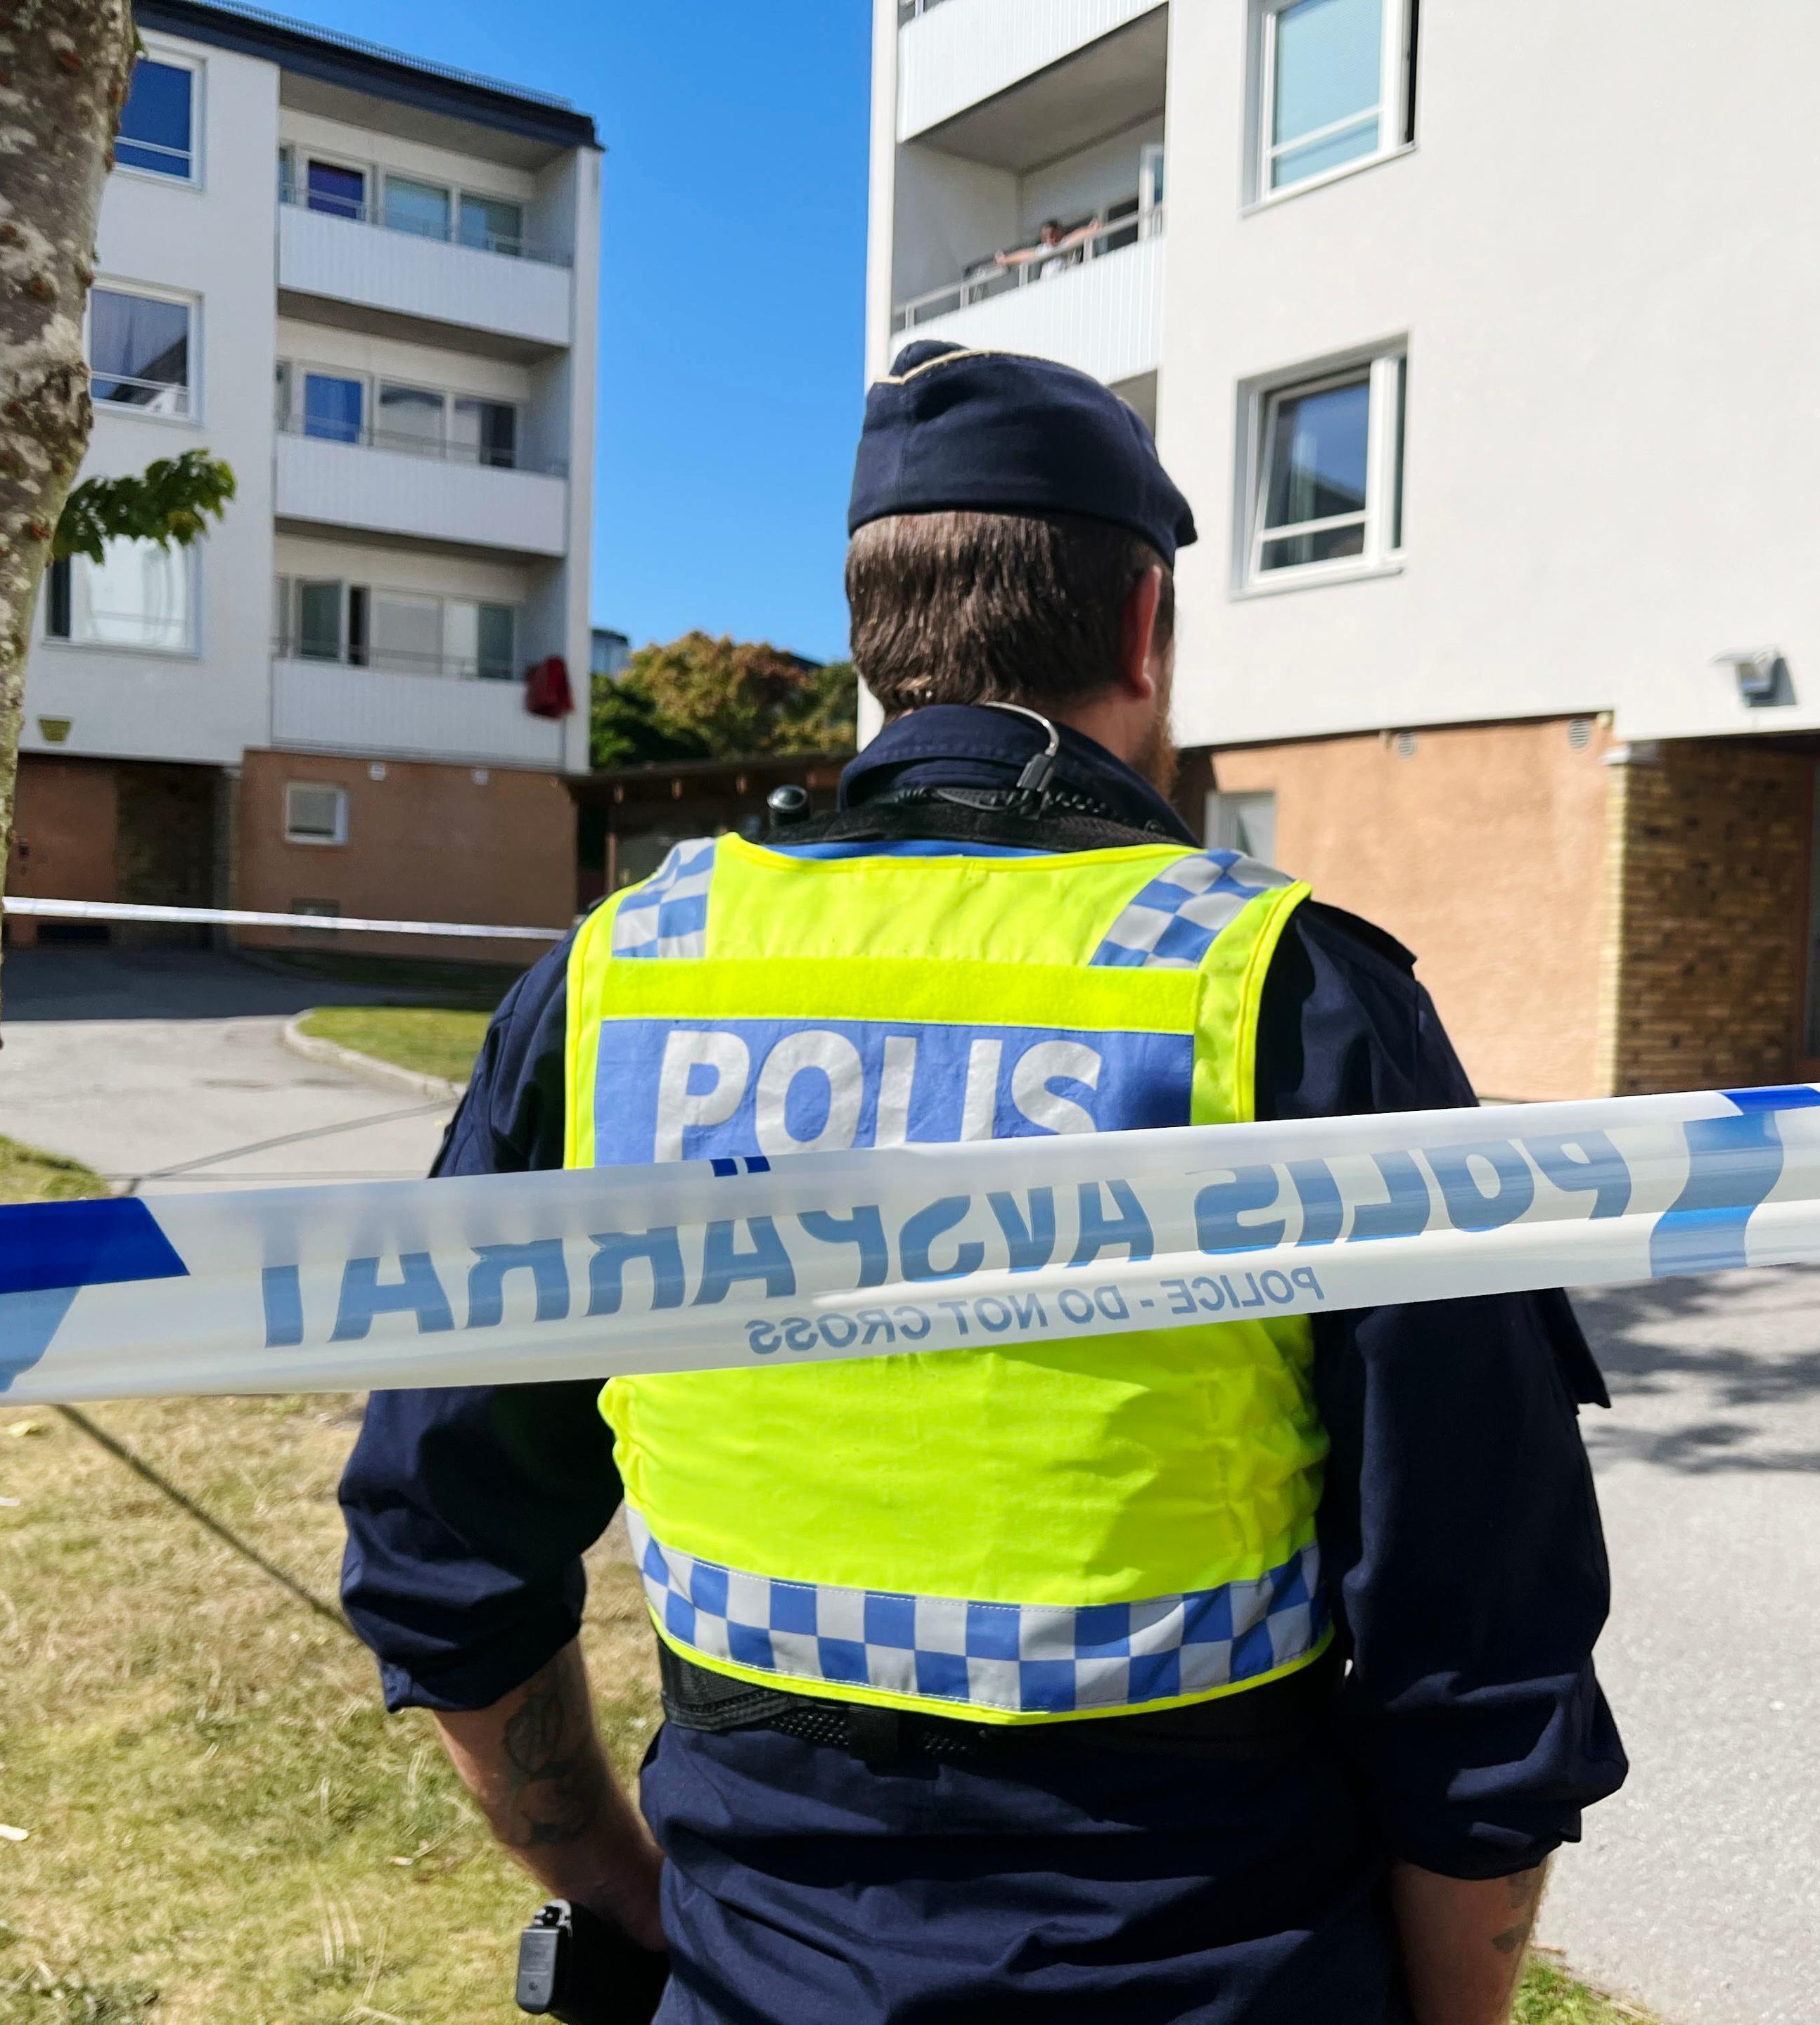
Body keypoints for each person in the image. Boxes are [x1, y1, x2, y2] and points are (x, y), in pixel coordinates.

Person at [338, 340, 1628, 2025]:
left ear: (876, 643)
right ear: (1145, 627)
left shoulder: (619, 983)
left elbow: (446, 1556)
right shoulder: (1285, 995)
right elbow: (1480, 1639)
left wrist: (637, 1907)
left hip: (756, 1981)